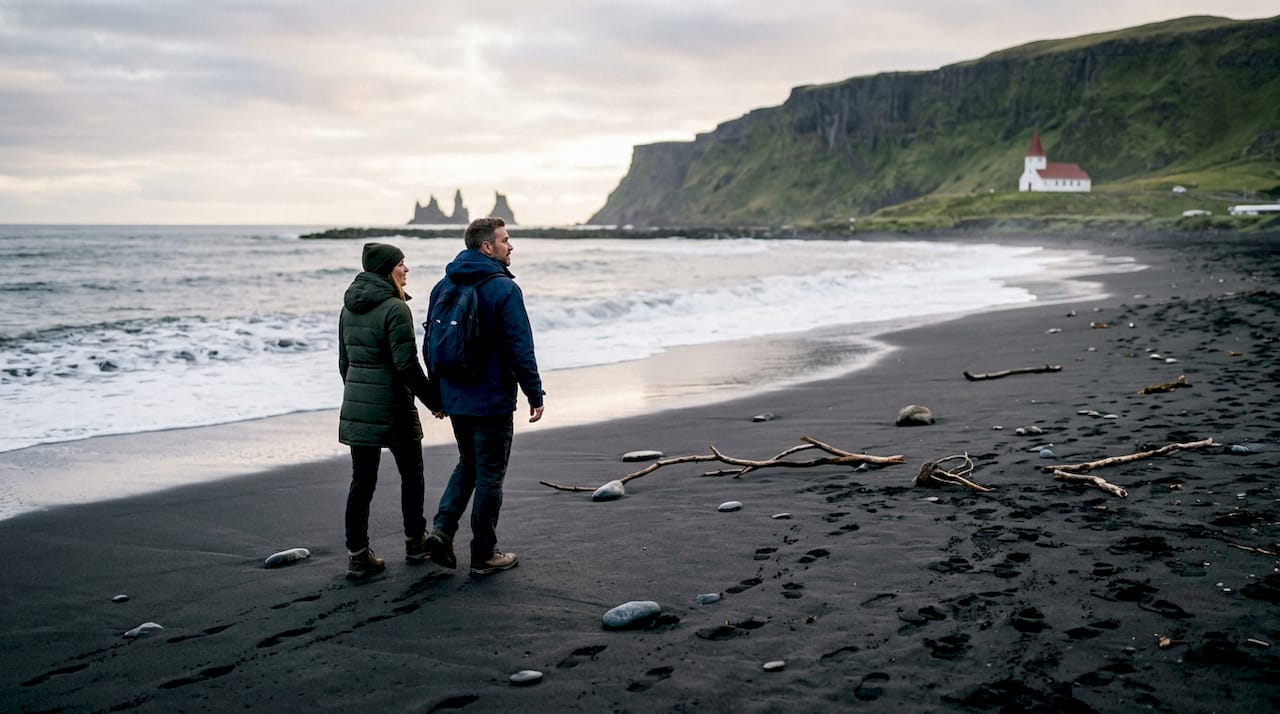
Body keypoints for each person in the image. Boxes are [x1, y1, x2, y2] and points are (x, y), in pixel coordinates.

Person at [423, 217, 545, 576]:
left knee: (469, 463)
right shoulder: (504, 289)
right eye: (505, 240)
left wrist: (437, 394)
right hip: (490, 398)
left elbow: (430, 344)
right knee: (490, 473)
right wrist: (534, 392)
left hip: (456, 395)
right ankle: (484, 554)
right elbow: (520, 347)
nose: (511, 246)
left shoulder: (442, 285)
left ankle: (443, 531)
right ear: (487, 247)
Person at [338, 242, 442, 579]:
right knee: (412, 474)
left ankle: (357, 556)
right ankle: (415, 542)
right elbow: (407, 366)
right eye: (401, 264)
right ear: (387, 269)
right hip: (395, 405)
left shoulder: (348, 308)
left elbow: (344, 363)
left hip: (358, 403)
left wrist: (358, 395)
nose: (406, 269)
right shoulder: (396, 309)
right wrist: (434, 402)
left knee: (362, 481)